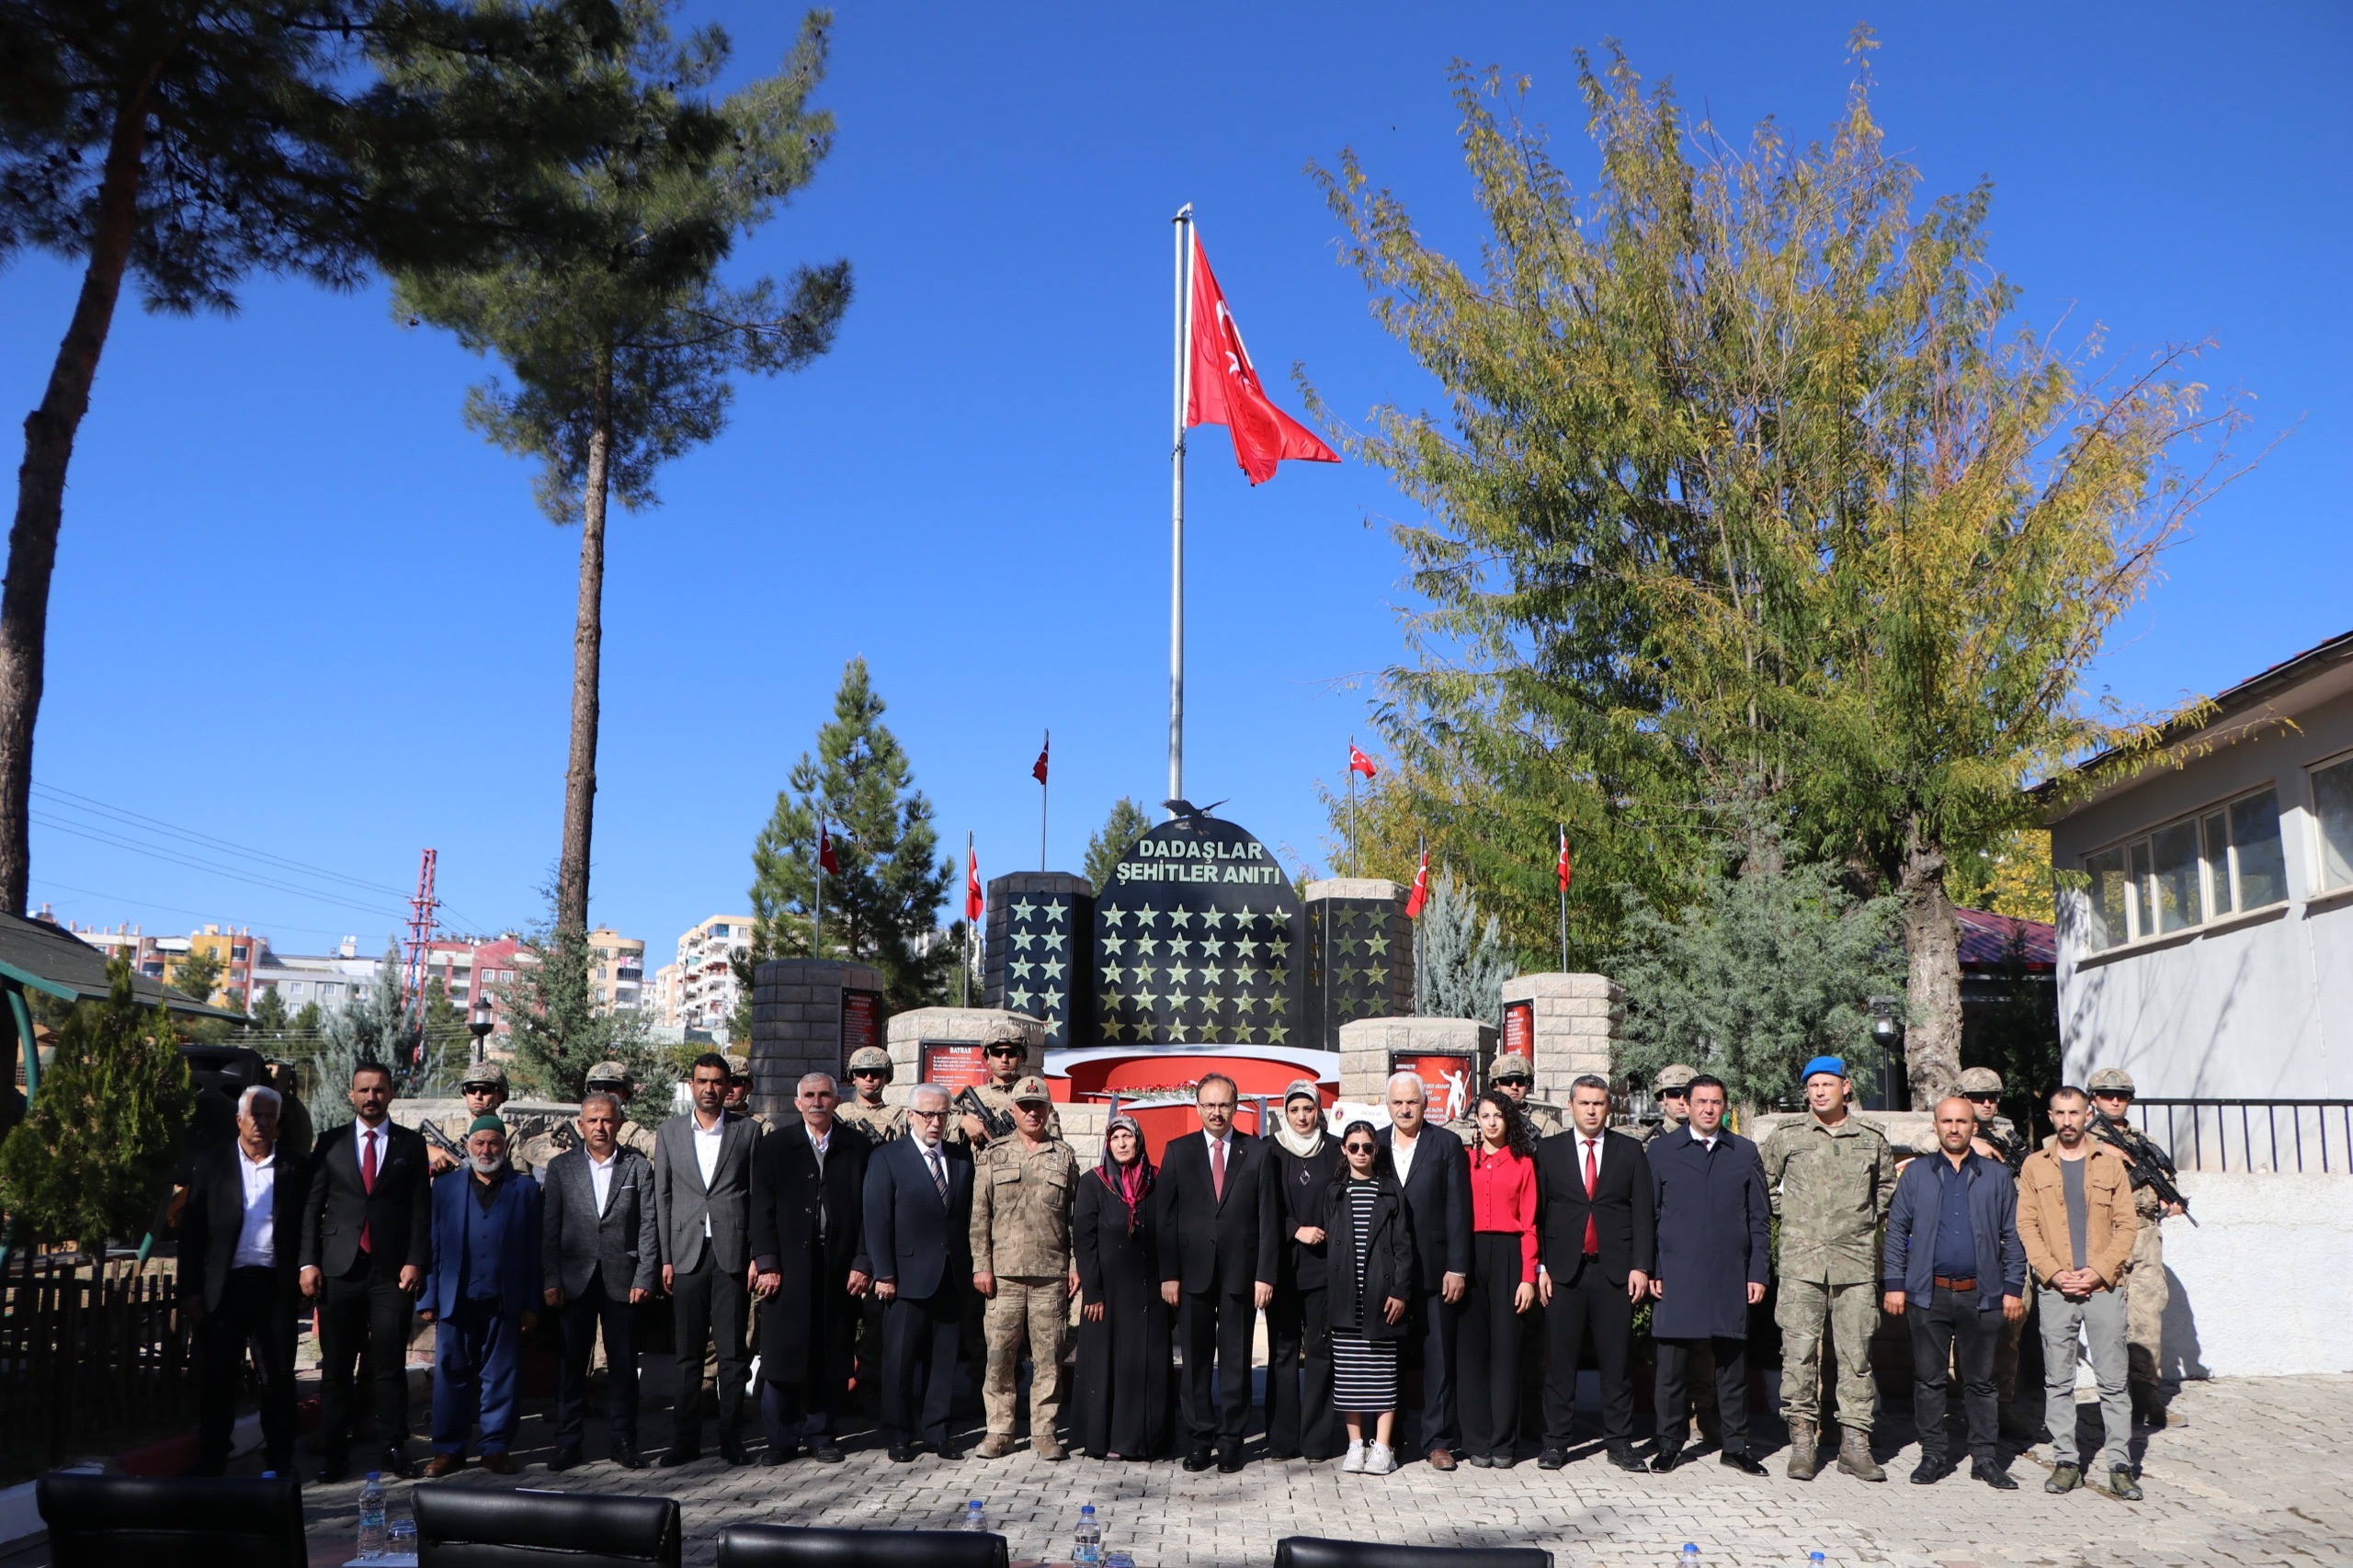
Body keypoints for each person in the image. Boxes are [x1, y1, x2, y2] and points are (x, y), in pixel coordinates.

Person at [1760, 1055, 1897, 1483]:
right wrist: (1795, 1215)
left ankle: (1855, 1445)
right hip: (1801, 1262)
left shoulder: (1871, 1138)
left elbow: (1887, 1189)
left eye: (1828, 1084)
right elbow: (1762, 1185)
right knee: (1798, 1355)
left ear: (1846, 1087)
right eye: (1813, 1085)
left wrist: (1860, 1223)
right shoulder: (1788, 1135)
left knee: (1856, 1356)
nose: (1820, 1092)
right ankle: (1803, 1443)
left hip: (1854, 1263)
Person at [1883, 1096, 2028, 1489]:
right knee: (1928, 1379)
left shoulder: (1997, 1177)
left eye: (1961, 1122)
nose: (1953, 1128)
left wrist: (2013, 1287)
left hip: (1981, 1295)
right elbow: (1896, 1232)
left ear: (1973, 1127)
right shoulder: (1916, 1175)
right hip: (1928, 1295)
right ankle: (1932, 1455)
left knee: (1982, 1381)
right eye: (1946, 1121)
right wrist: (1894, 1283)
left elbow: (2012, 1236)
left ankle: (1985, 1457)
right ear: (1936, 1126)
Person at [301, 1060, 431, 1483]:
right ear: (351, 1095)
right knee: (337, 1367)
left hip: (391, 1273)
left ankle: (394, 1447)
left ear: (391, 1094)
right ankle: (334, 1452)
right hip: (339, 1270)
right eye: (364, 1090)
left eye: (379, 1090)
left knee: (389, 1365)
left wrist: (415, 1259)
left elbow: (419, 1209)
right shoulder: (331, 1143)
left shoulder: (410, 1145)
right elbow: (312, 1207)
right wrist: (309, 1261)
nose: (371, 1098)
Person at [2017, 1085, 2142, 1500]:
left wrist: (2099, 1271)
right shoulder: (2035, 1166)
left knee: (2112, 1380)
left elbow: (2127, 1225)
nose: (2067, 1120)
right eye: (2059, 1113)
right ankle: (2066, 1460)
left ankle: (2120, 1464)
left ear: (2088, 1114)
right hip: (2056, 1289)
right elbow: (2027, 1227)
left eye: (2075, 1113)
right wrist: (2053, 1273)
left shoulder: (2111, 1164)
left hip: (2103, 1287)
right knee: (2058, 1380)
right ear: (2050, 1116)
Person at [182, 1084, 311, 1476]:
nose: (263, 1123)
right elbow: (192, 1232)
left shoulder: (294, 1167)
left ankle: (279, 1460)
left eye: (271, 1116)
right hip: (225, 1288)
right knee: (218, 1377)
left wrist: (306, 1268)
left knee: (277, 1378)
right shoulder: (212, 1164)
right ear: (239, 1120)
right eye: (256, 1115)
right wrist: (190, 1290)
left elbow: (307, 1226)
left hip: (274, 1288)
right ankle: (212, 1459)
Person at [1645, 1074, 1769, 1475]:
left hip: (1728, 1276)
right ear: (1687, 1104)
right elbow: (1649, 1217)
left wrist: (1758, 1272)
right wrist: (1652, 1269)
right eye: (1701, 1101)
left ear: (1724, 1106)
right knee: (1671, 1371)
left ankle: (1735, 1446)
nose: (1709, 1108)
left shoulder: (1745, 1152)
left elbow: (1759, 1220)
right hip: (1676, 1277)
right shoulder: (1662, 1152)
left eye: (1716, 1102)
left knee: (1732, 1369)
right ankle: (1669, 1444)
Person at [1156, 1073, 1278, 1472]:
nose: (1216, 1112)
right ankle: (1199, 1439)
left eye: (1224, 1104)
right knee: (1193, 1362)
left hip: (1241, 1274)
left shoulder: (1257, 1152)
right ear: (1198, 1107)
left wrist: (1265, 1274)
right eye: (1208, 1104)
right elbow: (1166, 1218)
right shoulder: (1178, 1151)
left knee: (1236, 1362)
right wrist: (1169, 1274)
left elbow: (1268, 1218)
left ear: (1236, 1105)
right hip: (1191, 1275)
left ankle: (1230, 1441)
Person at [750, 1073, 872, 1465]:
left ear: (837, 1101)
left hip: (838, 1265)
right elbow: (760, 1208)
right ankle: (781, 1439)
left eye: (824, 1095)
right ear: (797, 1101)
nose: (817, 1102)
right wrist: (766, 1261)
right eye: (809, 1096)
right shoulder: (775, 1145)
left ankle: (822, 1434)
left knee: (831, 1351)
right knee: (782, 1354)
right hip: (787, 1266)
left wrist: (862, 1260)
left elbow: (870, 1214)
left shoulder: (857, 1146)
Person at [1533, 1074, 1653, 1472]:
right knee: (1559, 1362)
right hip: (1563, 1272)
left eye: (1598, 1104)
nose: (1591, 1110)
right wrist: (1542, 1266)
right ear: (1571, 1106)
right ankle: (1555, 1443)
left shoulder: (1630, 1151)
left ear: (1608, 1108)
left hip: (1614, 1271)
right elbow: (1540, 1213)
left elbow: (1642, 1214)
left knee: (1616, 1363)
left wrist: (1641, 1266)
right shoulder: (1547, 1152)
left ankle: (1620, 1443)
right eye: (1584, 1103)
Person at [417, 1116, 544, 1476]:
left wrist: (532, 1303)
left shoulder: (526, 1190)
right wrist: (427, 1298)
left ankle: (495, 1447)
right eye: (479, 1143)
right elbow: (433, 1245)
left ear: (503, 1147)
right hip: (455, 1297)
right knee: (449, 1374)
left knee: (502, 1375)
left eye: (493, 1143)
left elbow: (535, 1252)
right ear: (469, 1146)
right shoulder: (444, 1188)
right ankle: (448, 1450)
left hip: (505, 1297)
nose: (486, 1150)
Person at [653, 1051, 761, 1466]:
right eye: (703, 1081)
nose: (710, 1089)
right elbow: (663, 1197)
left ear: (727, 1085)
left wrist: (757, 1256)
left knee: (733, 1354)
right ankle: (685, 1440)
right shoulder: (669, 1132)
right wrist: (665, 1257)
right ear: (691, 1085)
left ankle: (732, 1437)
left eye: (718, 1082)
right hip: (685, 1255)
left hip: (733, 1254)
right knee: (688, 1355)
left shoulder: (747, 1132)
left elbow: (756, 1197)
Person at [540, 1090, 658, 1471]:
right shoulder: (562, 1168)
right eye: (592, 1120)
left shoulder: (637, 1168)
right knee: (572, 1365)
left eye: (607, 1119)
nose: (600, 1127)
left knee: (624, 1366)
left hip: (622, 1278)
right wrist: (551, 1278)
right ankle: (568, 1441)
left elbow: (648, 1226)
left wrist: (645, 1275)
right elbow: (550, 1228)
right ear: (581, 1125)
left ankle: (624, 1440)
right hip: (574, 1278)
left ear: (620, 1123)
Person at [970, 1075, 1080, 1460]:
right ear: (1013, 1111)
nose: (1032, 1111)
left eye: (1039, 1105)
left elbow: (1075, 1218)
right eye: (1025, 1106)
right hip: (1004, 1276)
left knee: (1049, 1358)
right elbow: (979, 1217)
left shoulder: (1064, 1156)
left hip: (1051, 1274)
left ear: (1049, 1110)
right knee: (999, 1357)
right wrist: (981, 1266)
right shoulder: (993, 1154)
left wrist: (1075, 1265)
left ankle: (1045, 1433)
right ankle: (999, 1431)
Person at [864, 1083, 975, 1461]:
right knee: (900, 1361)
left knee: (943, 1361)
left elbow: (963, 1219)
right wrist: (883, 1273)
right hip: (905, 1278)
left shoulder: (961, 1159)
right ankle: (898, 1433)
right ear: (910, 1115)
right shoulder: (888, 1158)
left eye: (942, 1114)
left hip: (950, 1275)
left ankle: (937, 1431)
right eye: (927, 1114)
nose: (935, 1121)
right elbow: (877, 1220)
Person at [1381, 1071, 1472, 1471]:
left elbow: (1458, 1211)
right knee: (1389, 1358)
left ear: (1425, 1105)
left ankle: (1437, 1441)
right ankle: (1390, 1437)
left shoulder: (1447, 1144)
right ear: (1389, 1106)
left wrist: (1458, 1267)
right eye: (1398, 1102)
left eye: (1412, 1102)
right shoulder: (1373, 1144)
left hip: (1436, 1271)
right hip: (1387, 1274)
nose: (1404, 1109)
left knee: (1439, 1358)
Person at [1073, 1114, 1172, 1460]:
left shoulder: (1158, 1180)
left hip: (1149, 1293)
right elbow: (1083, 1241)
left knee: (1145, 1366)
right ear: (1107, 1143)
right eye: (1115, 1138)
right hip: (1108, 1296)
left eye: (1128, 1137)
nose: (1122, 1144)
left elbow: (1170, 1233)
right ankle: (1107, 1440)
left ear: (1139, 1141)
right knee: (1109, 1364)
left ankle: (1145, 1441)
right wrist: (1094, 1292)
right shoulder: (1094, 1183)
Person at [2087, 1067, 2181, 1427]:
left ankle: (2145, 1396)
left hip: (2144, 1234)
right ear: (2093, 1098)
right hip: (2104, 1234)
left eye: (2122, 1095)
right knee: (2108, 1322)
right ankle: (2113, 1402)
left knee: (2146, 1316)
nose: (2115, 1100)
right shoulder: (2080, 1138)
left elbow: (2166, 1181)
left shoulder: (2143, 1140)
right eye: (2107, 1094)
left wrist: (2171, 1202)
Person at [1324, 1119, 1415, 1475]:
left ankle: (1383, 1447)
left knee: (1382, 1373)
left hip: (1381, 1294)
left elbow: (1404, 1247)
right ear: (1344, 1150)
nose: (1360, 1153)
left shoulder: (1390, 1191)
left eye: (1367, 1147)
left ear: (1376, 1150)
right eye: (1353, 1147)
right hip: (1346, 1294)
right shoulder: (1334, 1192)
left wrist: (1399, 1291)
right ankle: (1355, 1445)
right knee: (1348, 1374)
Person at [1263, 1080, 1344, 1463]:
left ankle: (1315, 1440)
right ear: (1285, 1111)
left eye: (1307, 1109)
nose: (1301, 1116)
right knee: (1282, 1352)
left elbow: (1343, 1200)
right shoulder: (1271, 1149)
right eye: (1294, 1109)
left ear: (1317, 1111)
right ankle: (1281, 1440)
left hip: (1323, 1269)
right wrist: (1296, 1230)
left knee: (1320, 1352)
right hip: (1284, 1267)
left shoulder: (1335, 1149)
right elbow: (1263, 1208)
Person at [1456, 1090, 1537, 1468]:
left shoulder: (1523, 1163)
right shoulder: (1465, 1161)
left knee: (1506, 1351)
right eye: (1484, 1116)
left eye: (1497, 1116)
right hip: (1470, 1253)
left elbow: (1531, 1224)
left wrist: (1527, 1277)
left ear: (1509, 1120)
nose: (1490, 1122)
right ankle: (1476, 1441)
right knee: (1472, 1352)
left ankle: (1504, 1442)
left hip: (1508, 1255)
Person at [1961, 1063, 2037, 1443]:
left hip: (2009, 1245)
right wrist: (1970, 1143)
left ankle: (2000, 1408)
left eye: (1992, 1097)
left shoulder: (2008, 1133)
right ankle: (1967, 1408)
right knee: (1962, 1333)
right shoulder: (1950, 1130)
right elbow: (1917, 1135)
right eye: (1977, 1097)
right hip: (1967, 1248)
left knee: (2010, 1330)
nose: (1986, 1103)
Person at [952, 1017, 1062, 1149]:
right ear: (987, 1057)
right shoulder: (972, 1098)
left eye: (1011, 1053)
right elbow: (934, 1126)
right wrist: (964, 1122)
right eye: (997, 1053)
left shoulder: (1035, 1098)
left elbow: (1055, 1144)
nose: (1004, 1059)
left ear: (1022, 1058)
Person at [425, 1061, 528, 1176]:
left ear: (499, 1096)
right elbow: (408, 1149)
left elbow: (522, 1181)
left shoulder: (510, 1135)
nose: (478, 1096)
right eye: (471, 1089)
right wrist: (430, 1151)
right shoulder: (446, 1128)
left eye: (485, 1090)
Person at [585, 1062, 662, 1160]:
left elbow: (665, 1153)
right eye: (597, 1087)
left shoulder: (636, 1136)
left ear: (624, 1093)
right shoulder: (574, 1128)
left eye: (610, 1088)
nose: (602, 1093)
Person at [837, 1046, 907, 1145]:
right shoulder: (839, 1114)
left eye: (876, 1073)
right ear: (853, 1078)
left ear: (886, 1078)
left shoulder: (899, 1117)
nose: (869, 1078)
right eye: (862, 1073)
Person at [1487, 1054, 1563, 1137]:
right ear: (1495, 1085)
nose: (1514, 1087)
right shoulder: (1484, 1124)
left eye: (1520, 1081)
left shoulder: (1548, 1128)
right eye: (1507, 1081)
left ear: (1528, 1085)